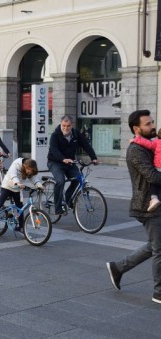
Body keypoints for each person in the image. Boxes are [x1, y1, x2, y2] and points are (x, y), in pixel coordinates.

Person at [106, 109, 161, 304]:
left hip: (156, 201)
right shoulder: (136, 150)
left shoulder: (150, 144)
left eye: (153, 122)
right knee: (159, 249)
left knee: (155, 245)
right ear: (136, 129)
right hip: (148, 205)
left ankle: (118, 267)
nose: (153, 126)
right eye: (148, 124)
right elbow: (153, 176)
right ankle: (158, 293)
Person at [47, 115, 98, 215]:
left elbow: (86, 145)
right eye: (64, 125)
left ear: (72, 125)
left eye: (68, 126)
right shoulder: (55, 135)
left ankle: (68, 197)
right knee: (60, 181)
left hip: (70, 162)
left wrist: (94, 158)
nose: (66, 128)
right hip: (55, 162)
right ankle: (57, 208)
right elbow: (54, 150)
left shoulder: (76, 134)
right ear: (61, 124)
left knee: (78, 178)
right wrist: (63, 159)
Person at [0, 158, 43, 231]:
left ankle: (21, 227)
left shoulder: (28, 169)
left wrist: (39, 185)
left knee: (20, 207)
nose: (29, 172)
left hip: (17, 189)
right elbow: (13, 174)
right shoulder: (16, 163)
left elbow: (33, 178)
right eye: (29, 170)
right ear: (25, 166)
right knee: (0, 203)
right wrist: (17, 182)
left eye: (31, 171)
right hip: (7, 186)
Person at [130, 128, 161, 212]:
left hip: (158, 166)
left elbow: (147, 143)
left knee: (154, 183)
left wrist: (136, 139)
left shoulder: (157, 142)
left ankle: (154, 198)